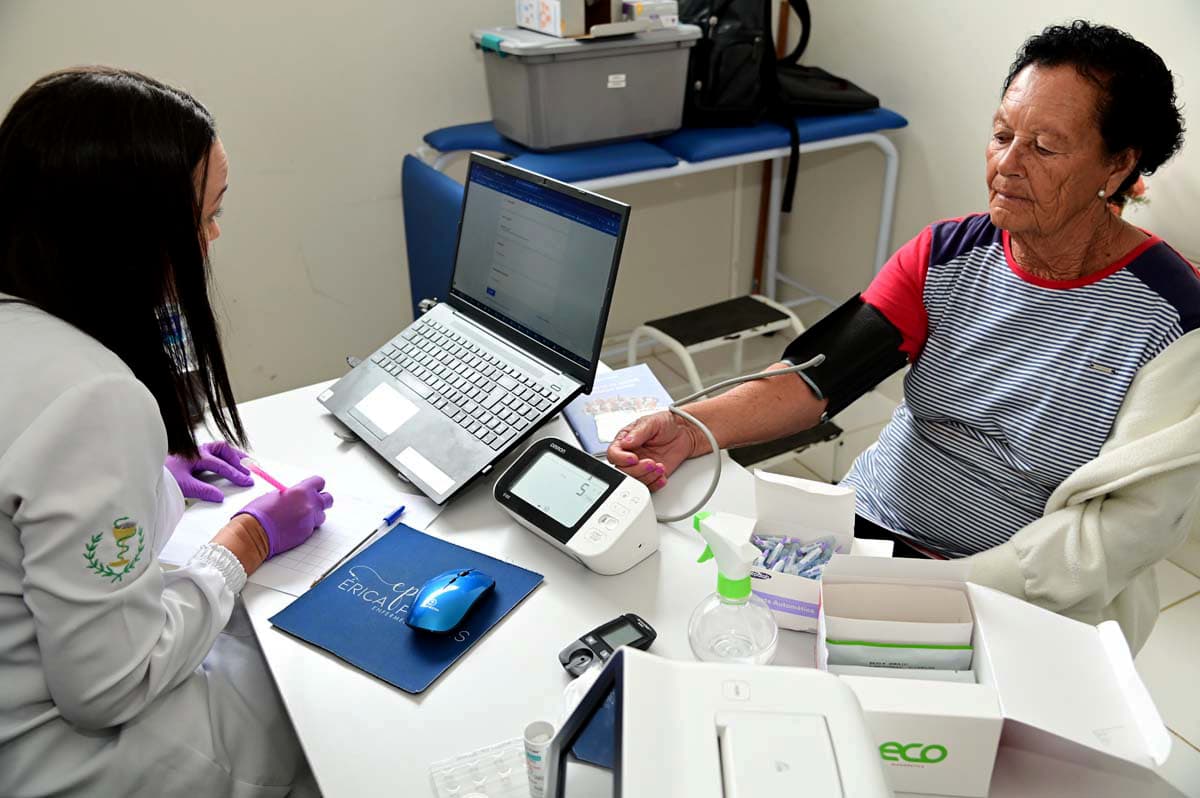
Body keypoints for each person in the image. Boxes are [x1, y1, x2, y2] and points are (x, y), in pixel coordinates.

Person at [609, 21, 1200, 652]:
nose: (1007, 165)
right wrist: (690, 428)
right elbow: (814, 382)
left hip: (1016, 591)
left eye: (1046, 147)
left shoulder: (1176, 321)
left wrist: (945, 588)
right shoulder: (948, 254)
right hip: (870, 526)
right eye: (1002, 135)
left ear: (1119, 163)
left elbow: (1121, 531)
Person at [0, 68, 329, 796]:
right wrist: (246, 542)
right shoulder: (91, 399)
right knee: (323, 698)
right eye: (204, 216)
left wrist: (145, 481)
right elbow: (111, 687)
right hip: (76, 763)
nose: (212, 237)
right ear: (126, 234)